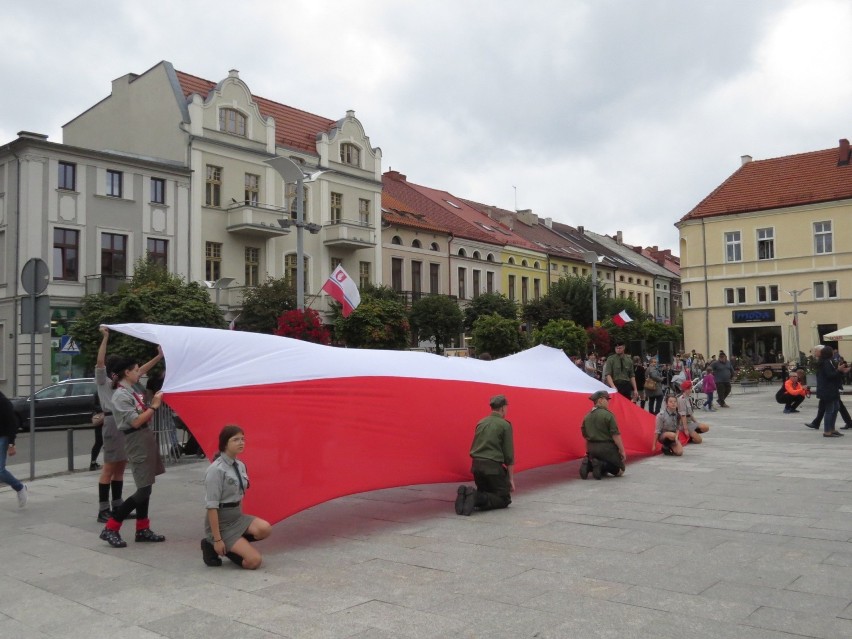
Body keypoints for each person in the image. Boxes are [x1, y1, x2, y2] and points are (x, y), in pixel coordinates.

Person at [94, 327, 162, 523]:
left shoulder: (123, 383)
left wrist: (158, 357)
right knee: (109, 467)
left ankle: (117, 504)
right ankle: (103, 509)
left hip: (122, 425)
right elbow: (100, 362)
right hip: (111, 422)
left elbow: (141, 370)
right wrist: (105, 337)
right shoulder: (104, 381)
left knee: (120, 466)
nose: (136, 372)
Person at [99, 356, 166, 548]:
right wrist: (154, 405)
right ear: (126, 372)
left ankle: (142, 528)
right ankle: (111, 528)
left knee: (147, 486)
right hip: (136, 439)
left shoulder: (131, 390)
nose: (139, 373)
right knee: (143, 489)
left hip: (144, 437)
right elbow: (135, 421)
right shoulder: (121, 395)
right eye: (136, 370)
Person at [201, 425, 272, 569]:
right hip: (222, 523)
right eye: (236, 440)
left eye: (243, 439)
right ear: (225, 443)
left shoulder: (240, 465)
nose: (241, 443)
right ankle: (212, 543)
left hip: (237, 517)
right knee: (254, 562)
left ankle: (233, 543)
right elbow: (212, 507)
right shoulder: (216, 470)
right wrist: (218, 539)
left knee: (265, 529)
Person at [455, 395, 514, 516]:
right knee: (504, 499)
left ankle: (467, 494)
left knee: (486, 491)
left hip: (476, 467)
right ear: (502, 408)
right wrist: (511, 479)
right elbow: (509, 455)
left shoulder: (481, 422)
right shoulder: (505, 425)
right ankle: (475, 497)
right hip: (493, 468)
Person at [579, 390, 626, 480]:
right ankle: (601, 464)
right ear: (600, 400)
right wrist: (622, 450)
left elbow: (585, 436)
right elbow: (615, 435)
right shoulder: (608, 415)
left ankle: (589, 465)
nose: (608, 402)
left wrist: (587, 451)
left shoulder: (587, 416)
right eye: (607, 400)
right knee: (620, 470)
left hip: (592, 448)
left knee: (599, 465)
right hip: (606, 448)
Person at [815, 345, 851, 438]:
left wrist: (842, 371)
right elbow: (830, 375)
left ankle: (832, 429)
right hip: (827, 390)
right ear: (829, 353)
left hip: (832, 389)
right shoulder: (826, 362)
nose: (834, 352)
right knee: (830, 410)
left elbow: (834, 375)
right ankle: (827, 431)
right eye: (832, 351)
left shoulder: (829, 361)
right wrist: (839, 370)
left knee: (835, 408)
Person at [0, 390, 27, 507]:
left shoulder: (3, 402)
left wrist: (11, 444)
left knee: (0, 470)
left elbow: (12, 423)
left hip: (3, 437)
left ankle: (19, 487)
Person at [89, 390, 104, 471]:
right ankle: (93, 462)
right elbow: (94, 405)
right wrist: (104, 409)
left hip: (105, 418)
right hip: (101, 418)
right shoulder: (98, 392)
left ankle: (93, 462)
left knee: (100, 442)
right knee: (99, 442)